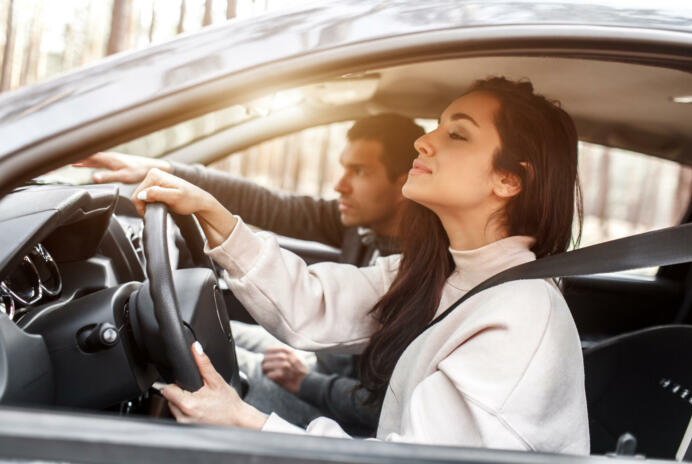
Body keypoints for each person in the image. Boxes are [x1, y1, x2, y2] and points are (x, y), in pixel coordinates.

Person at [131, 76, 590, 452]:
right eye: (437, 125)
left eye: (456, 133)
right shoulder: (442, 272)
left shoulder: (520, 316)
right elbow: (312, 304)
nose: (423, 141)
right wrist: (212, 213)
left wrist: (244, 421)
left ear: (509, 179)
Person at [75, 114, 426, 436]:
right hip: (319, 364)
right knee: (212, 331)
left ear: (403, 184)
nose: (339, 185)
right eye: (343, 168)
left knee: (188, 361)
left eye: (360, 171)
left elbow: (376, 409)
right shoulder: (363, 227)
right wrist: (166, 171)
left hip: (338, 413)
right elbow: (269, 204)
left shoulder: (420, 272)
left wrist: (304, 382)